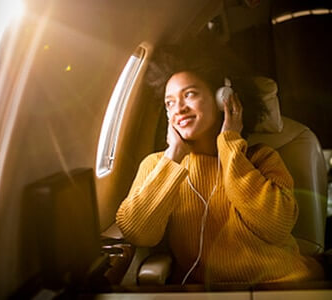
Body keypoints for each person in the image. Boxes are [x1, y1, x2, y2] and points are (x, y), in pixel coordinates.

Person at [115, 38, 324, 284]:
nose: (178, 109)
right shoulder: (157, 166)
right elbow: (137, 232)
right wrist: (174, 154)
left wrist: (230, 143)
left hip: (285, 286)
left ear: (222, 99)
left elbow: (275, 227)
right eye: (169, 103)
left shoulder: (261, 158)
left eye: (189, 94)